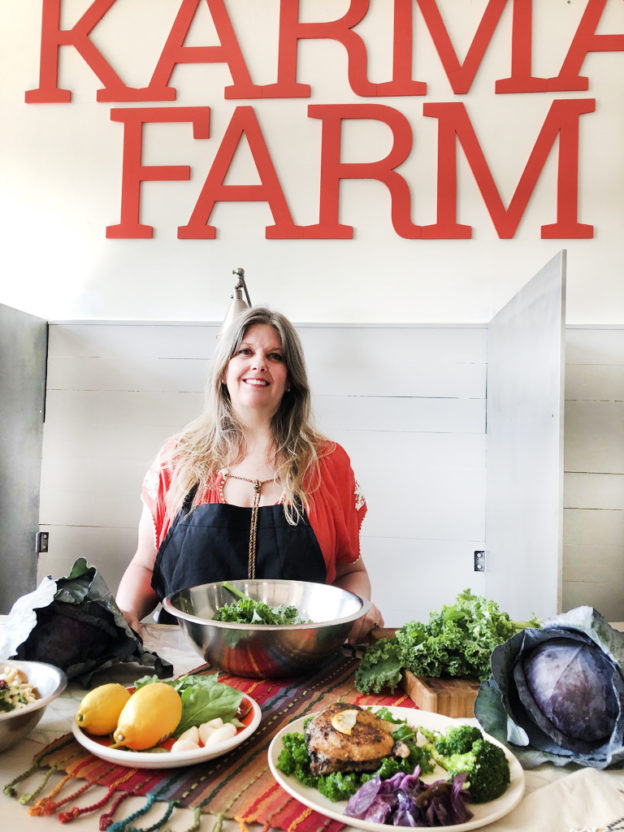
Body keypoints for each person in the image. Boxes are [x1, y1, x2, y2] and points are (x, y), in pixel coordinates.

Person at [116, 306, 384, 643]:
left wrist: (358, 609)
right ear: (224, 369)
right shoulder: (178, 458)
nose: (259, 363)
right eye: (245, 351)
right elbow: (145, 566)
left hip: (297, 663)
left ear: (290, 379)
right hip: (185, 664)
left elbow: (351, 571)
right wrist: (123, 613)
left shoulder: (328, 463)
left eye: (275, 356)